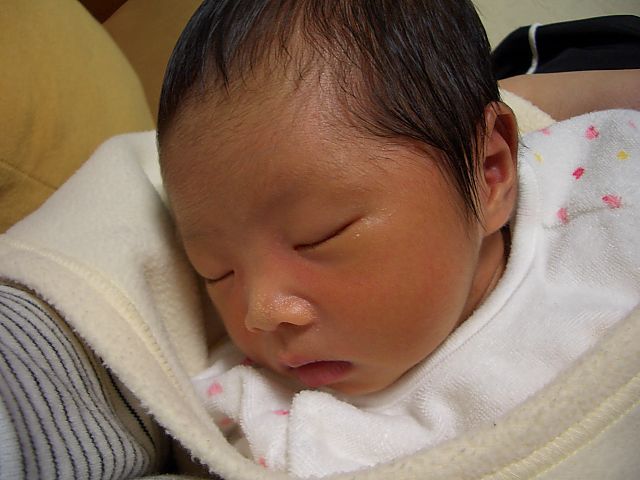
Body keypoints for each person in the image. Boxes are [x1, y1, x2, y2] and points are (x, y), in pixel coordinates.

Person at [155, 0, 640, 477]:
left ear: (488, 173)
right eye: (217, 271)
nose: (260, 312)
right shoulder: (258, 404)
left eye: (318, 236)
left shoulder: (608, 211)